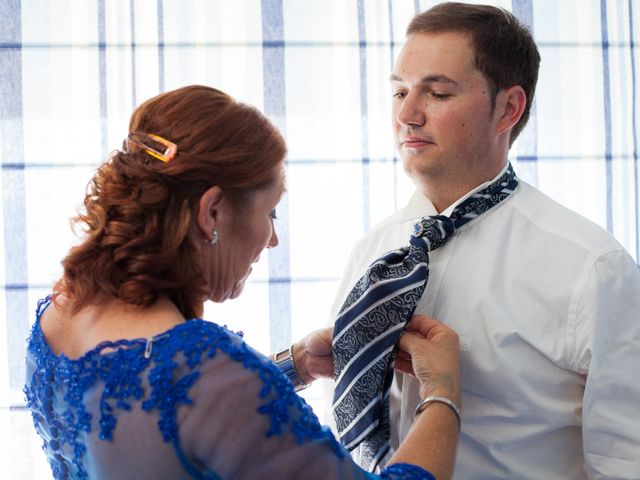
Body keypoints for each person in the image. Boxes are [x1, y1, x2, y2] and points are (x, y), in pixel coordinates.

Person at [24, 85, 462, 479]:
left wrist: (296, 364)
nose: (272, 240)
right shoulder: (204, 365)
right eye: (270, 213)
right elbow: (192, 394)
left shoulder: (61, 312)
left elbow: (153, 413)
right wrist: (442, 393)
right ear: (211, 211)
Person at [330, 3, 640, 479]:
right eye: (399, 91)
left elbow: (625, 463)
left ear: (507, 109)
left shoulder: (591, 268)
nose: (407, 115)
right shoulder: (371, 255)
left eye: (437, 93)